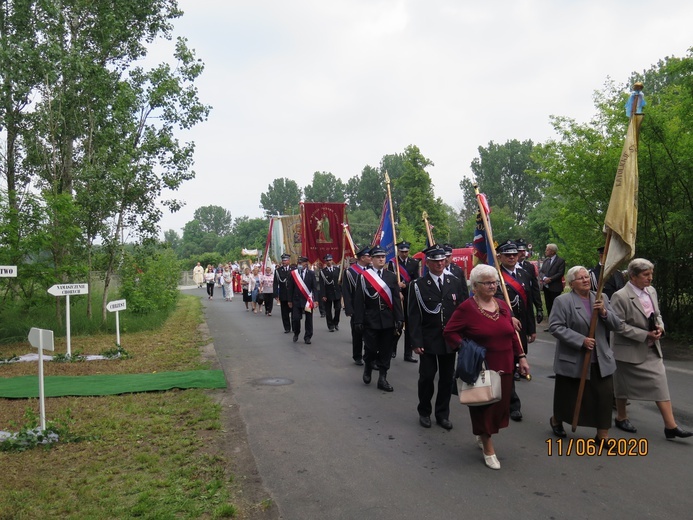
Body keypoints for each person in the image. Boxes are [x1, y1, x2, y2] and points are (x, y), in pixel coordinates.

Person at [443, 264, 530, 470]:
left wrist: (522, 357)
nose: (493, 286)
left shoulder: (502, 305)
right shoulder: (466, 308)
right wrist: (466, 347)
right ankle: (488, 445)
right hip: (481, 366)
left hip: (505, 363)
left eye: (495, 282)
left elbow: (511, 334)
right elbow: (449, 332)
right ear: (475, 286)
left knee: (500, 406)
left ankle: (484, 434)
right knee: (484, 407)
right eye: (488, 283)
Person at [610, 258, 692, 440]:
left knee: (659, 381)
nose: (650, 278)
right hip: (628, 349)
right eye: (646, 275)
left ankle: (670, 426)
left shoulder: (651, 291)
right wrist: (644, 334)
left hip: (651, 348)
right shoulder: (620, 296)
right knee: (622, 386)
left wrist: (660, 327)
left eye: (651, 274)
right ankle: (621, 417)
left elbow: (657, 315)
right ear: (633, 276)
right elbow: (618, 326)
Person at [548, 266, 621, 441]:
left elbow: (617, 325)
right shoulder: (563, 301)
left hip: (601, 359)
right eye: (580, 278)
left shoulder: (601, 297)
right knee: (568, 397)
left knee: (603, 396)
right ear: (572, 283)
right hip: (575, 359)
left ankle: (602, 435)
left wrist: (604, 312)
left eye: (587, 277)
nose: (585, 280)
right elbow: (555, 327)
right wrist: (581, 340)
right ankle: (557, 420)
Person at [409, 245, 468, 430]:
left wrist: (464, 336)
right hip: (428, 339)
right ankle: (424, 411)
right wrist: (416, 341)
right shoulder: (418, 285)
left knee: (447, 378)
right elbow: (413, 316)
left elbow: (463, 310)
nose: (440, 263)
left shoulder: (455, 281)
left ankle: (442, 414)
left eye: (443, 260)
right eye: (436, 261)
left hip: (449, 340)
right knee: (427, 377)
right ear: (428, 263)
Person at [353, 246, 404, 392]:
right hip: (371, 319)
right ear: (372, 259)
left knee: (386, 350)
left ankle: (382, 377)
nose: (381, 259)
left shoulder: (391, 276)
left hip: (387, 319)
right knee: (370, 348)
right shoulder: (364, 277)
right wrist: (358, 320)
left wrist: (399, 318)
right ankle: (368, 366)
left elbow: (395, 299)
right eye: (378, 257)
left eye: (383, 257)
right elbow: (359, 300)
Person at [496, 241, 536, 422]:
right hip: (502, 326)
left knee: (516, 363)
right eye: (507, 255)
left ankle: (507, 400)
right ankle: (512, 404)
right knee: (507, 366)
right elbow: (495, 301)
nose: (511, 257)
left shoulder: (524, 273)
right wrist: (509, 315)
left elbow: (527, 306)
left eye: (514, 254)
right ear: (501, 257)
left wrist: (532, 328)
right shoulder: (495, 276)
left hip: (520, 327)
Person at [389, 241, 420, 363]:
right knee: (398, 324)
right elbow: (390, 279)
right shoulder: (393, 263)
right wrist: (397, 288)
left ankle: (408, 353)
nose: (404, 254)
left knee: (410, 326)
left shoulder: (414, 263)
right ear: (398, 251)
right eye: (402, 251)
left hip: (409, 297)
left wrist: (405, 285)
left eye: (406, 251)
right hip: (397, 298)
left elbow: (416, 280)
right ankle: (393, 349)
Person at [342, 247, 371, 365]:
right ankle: (357, 356)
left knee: (370, 333)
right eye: (369, 256)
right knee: (357, 332)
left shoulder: (371, 270)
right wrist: (349, 308)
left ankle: (369, 356)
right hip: (356, 307)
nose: (371, 258)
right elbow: (346, 291)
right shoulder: (350, 272)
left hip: (370, 307)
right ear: (362, 258)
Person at [287, 256, 316, 344]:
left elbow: (314, 288)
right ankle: (296, 332)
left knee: (309, 319)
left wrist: (316, 300)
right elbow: (290, 288)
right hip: (296, 300)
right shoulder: (293, 273)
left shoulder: (311, 273)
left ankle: (308, 337)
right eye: (298, 263)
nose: (299, 265)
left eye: (301, 263)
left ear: (306, 264)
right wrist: (289, 300)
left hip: (308, 300)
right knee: (295, 318)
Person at [516, 239, 543, 325]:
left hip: (528, 302)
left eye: (524, 250)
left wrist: (539, 307)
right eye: (520, 251)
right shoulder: (510, 267)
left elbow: (535, 287)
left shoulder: (529, 266)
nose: (523, 253)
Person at [539, 243, 566, 321]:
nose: (545, 251)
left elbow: (560, 273)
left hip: (555, 287)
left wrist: (550, 279)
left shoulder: (560, 261)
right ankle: (551, 323)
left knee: (556, 306)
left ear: (552, 252)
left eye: (547, 250)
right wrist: (544, 278)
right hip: (546, 287)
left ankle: (558, 322)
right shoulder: (546, 261)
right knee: (548, 305)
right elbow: (541, 271)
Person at [320, 254, 342, 331]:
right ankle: (330, 325)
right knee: (328, 311)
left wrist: (341, 292)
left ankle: (336, 322)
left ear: (332, 260)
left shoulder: (337, 270)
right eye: (327, 260)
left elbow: (340, 281)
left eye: (330, 260)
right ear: (325, 262)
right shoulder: (323, 272)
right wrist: (323, 295)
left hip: (337, 293)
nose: (329, 262)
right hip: (328, 293)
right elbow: (322, 284)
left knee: (338, 308)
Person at [274, 254, 294, 332]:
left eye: (285, 260)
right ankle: (287, 328)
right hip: (283, 294)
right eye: (283, 260)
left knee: (293, 312)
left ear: (289, 261)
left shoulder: (293, 270)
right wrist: (276, 294)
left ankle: (294, 326)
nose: (284, 262)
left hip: (292, 294)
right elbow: (275, 283)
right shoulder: (278, 271)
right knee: (284, 312)